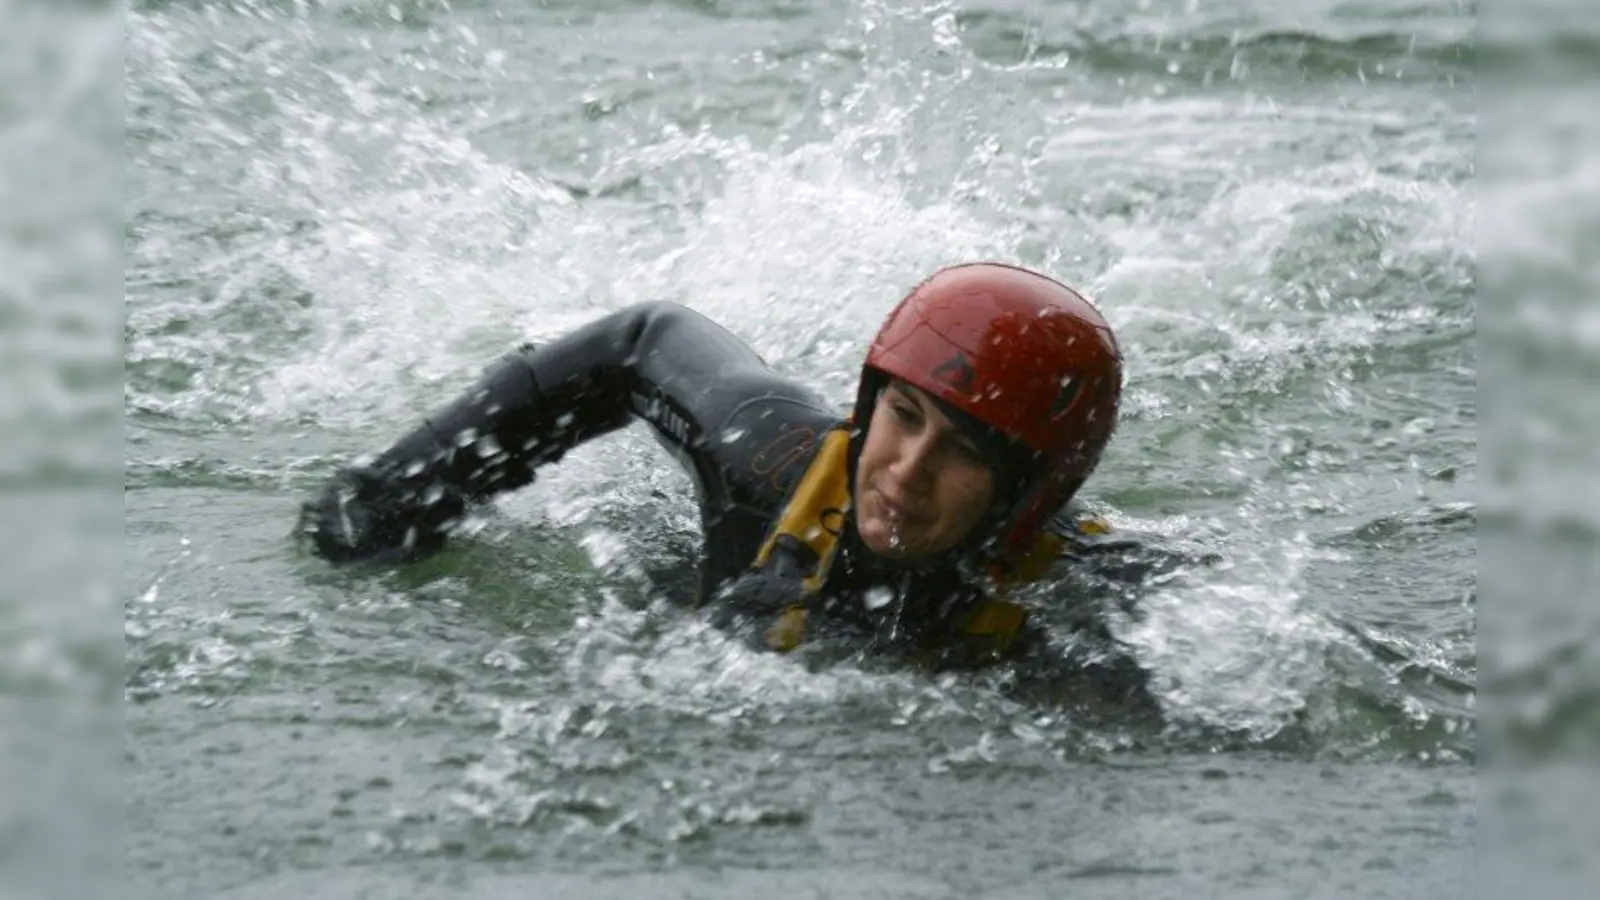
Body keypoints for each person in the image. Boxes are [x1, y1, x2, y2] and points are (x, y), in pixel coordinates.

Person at [299, 262, 1165, 694]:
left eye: (962, 456)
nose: (904, 472)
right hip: (712, 573)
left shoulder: (1086, 604)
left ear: (1029, 497)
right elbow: (640, 339)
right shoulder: (768, 453)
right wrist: (404, 487)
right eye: (902, 419)